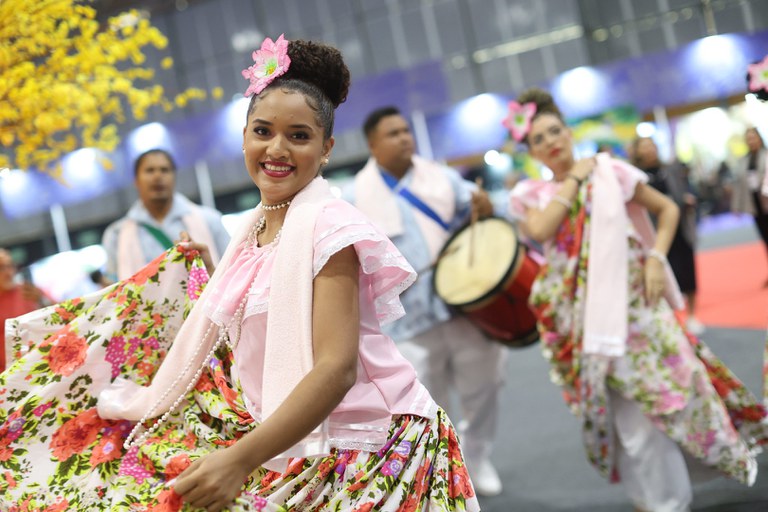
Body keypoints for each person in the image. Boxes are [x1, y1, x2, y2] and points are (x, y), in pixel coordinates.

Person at [0, 36, 480, 512]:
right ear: (245, 135)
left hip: (376, 449)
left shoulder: (330, 225)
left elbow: (335, 369)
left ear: (327, 148)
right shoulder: (252, 233)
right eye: (263, 130)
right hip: (308, 448)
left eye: (299, 136)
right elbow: (256, 323)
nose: (277, 148)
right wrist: (207, 275)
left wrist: (237, 462)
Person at [505, 88, 767, 512]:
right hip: (578, 321)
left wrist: (656, 257)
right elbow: (541, 229)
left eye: (556, 131)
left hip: (637, 308)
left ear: (568, 131)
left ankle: (667, 498)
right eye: (538, 139)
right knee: (627, 421)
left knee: (676, 396)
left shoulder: (612, 172)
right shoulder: (531, 195)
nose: (551, 142)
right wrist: (574, 177)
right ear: (529, 150)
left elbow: (667, 209)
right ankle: (655, 499)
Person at [344, 106, 505, 497]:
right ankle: (443, 473)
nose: (404, 138)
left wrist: (485, 208)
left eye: (405, 131)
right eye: (393, 133)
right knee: (424, 406)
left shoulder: (443, 178)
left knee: (485, 388)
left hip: (464, 307)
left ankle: (477, 457)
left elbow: (480, 216)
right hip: (404, 322)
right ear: (372, 144)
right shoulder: (353, 198)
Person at [101, 148, 230, 282]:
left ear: (174, 176)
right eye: (149, 170)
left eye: (164, 170)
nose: (158, 176)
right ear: (136, 181)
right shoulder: (116, 235)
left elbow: (233, 270)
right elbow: (113, 287)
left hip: (206, 301)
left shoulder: (210, 219)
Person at [631, 137, 704, 335]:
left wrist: (686, 200)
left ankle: (692, 315)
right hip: (653, 235)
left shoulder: (670, 169)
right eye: (645, 147)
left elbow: (680, 195)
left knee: (688, 272)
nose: (650, 150)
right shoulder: (634, 176)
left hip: (680, 228)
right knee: (663, 276)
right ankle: (671, 320)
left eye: (652, 146)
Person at [0, 249, 50, 371]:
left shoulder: (29, 291)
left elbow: (63, 314)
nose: (8, 272)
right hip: (7, 375)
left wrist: (42, 301)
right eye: (1, 267)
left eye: (10, 265)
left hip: (42, 365)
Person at [731, 127, 768, 285]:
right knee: (766, 238)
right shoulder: (743, 161)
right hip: (755, 205)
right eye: (749, 138)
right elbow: (739, 185)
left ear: (759, 138)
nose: (752, 141)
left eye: (754, 137)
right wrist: (736, 206)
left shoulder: (766, 156)